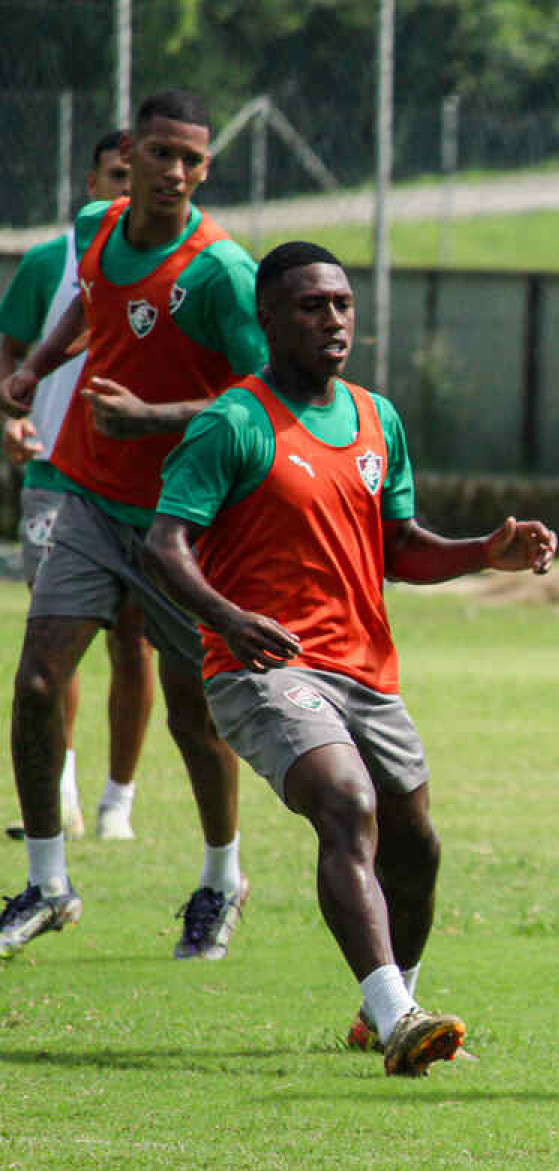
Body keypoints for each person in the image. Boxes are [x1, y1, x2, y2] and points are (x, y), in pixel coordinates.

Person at [144, 241, 559, 1076]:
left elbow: (398, 546)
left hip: (364, 670)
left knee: (417, 849)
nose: (332, 320)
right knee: (344, 801)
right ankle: (401, 1019)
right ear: (267, 320)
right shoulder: (233, 422)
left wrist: (484, 552)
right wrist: (229, 619)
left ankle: (389, 1011)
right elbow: (164, 543)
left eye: (341, 304)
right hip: (264, 668)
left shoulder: (377, 418)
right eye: (311, 306)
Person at [0, 89, 265, 964]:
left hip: (180, 521)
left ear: (205, 169)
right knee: (38, 684)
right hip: (85, 495)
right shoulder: (101, 226)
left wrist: (153, 418)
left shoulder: (222, 272)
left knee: (193, 714)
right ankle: (47, 883)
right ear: (132, 154)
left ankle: (222, 878)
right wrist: (37, 367)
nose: (175, 171)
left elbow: (266, 398)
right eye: (160, 153)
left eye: (192, 159)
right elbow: (89, 301)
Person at [1, 128, 156, 846]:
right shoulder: (49, 263)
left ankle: (117, 800)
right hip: (55, 477)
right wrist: (13, 415)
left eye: (137, 175)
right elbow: (12, 354)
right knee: (54, 636)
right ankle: (57, 787)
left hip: (139, 484)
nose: (129, 188)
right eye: (118, 175)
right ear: (92, 186)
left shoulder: (182, 268)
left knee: (134, 643)